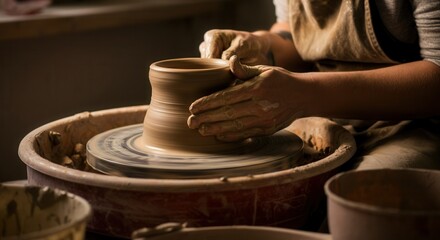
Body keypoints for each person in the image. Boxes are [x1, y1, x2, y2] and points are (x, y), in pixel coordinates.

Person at [187, 0, 440, 170]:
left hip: (414, 124)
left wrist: (303, 96)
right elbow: (295, 39)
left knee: (356, 199)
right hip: (320, 114)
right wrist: (262, 46)